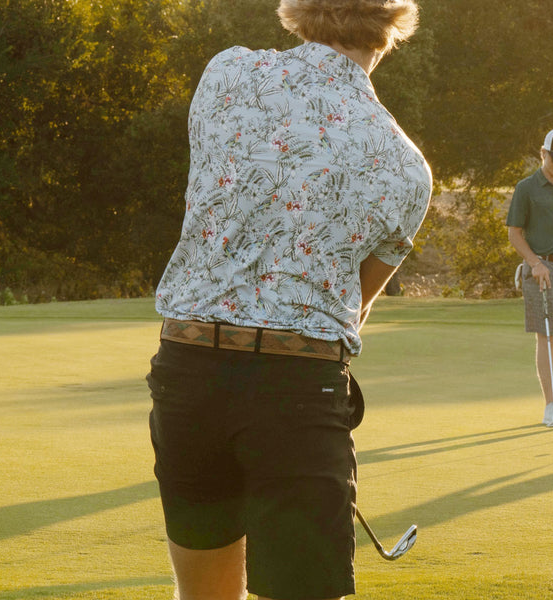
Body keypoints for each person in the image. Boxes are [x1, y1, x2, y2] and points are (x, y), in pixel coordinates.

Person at [146, 1, 432, 598]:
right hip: (297, 389)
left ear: (297, 14)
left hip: (187, 374)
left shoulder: (226, 72)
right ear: (394, 26)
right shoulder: (406, 168)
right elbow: (352, 307)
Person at [507, 128, 553, 427]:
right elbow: (514, 233)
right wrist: (533, 262)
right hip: (541, 268)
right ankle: (552, 404)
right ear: (543, 154)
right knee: (548, 336)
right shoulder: (526, 188)